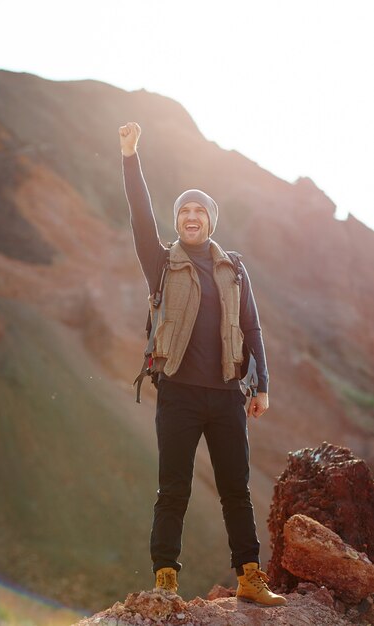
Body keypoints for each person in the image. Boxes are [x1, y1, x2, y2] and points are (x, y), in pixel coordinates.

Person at [118, 121, 286, 607]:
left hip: (227, 393)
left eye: (200, 211)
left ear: (211, 220)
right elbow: (138, 216)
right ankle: (166, 579)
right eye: (184, 211)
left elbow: (252, 328)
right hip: (178, 394)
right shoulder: (161, 261)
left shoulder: (233, 268)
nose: (191, 217)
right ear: (178, 221)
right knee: (173, 490)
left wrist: (261, 385)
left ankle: (250, 577)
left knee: (236, 490)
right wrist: (130, 157)